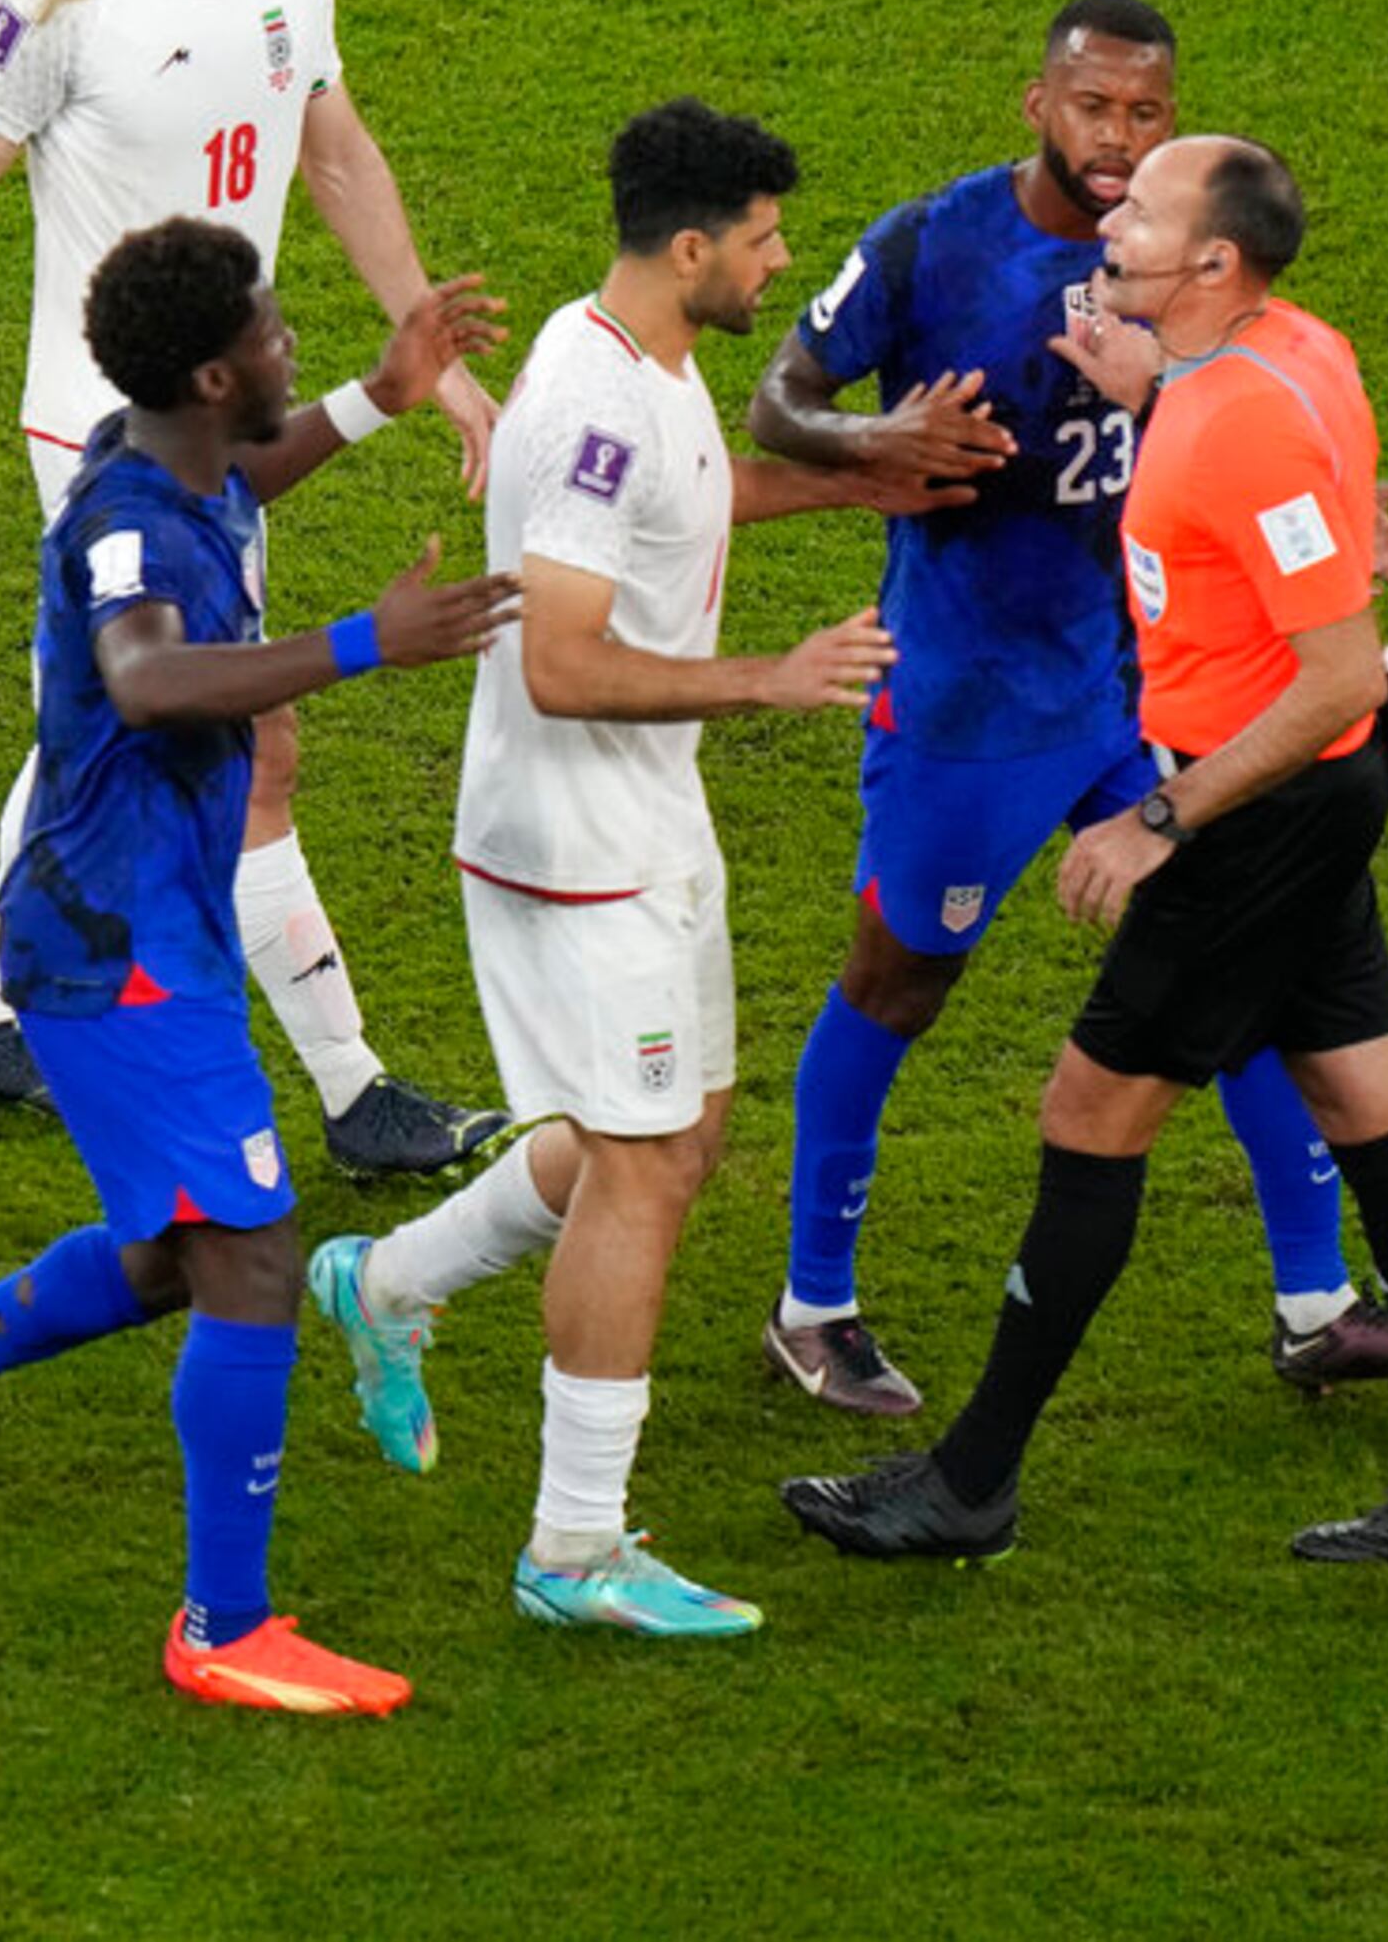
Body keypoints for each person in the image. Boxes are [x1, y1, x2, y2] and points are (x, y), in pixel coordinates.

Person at [782, 137, 1388, 1567]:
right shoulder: (1289, 349)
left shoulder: (1225, 426)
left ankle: (969, 1484)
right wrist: (1174, 401)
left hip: (1256, 810)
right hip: (1318, 792)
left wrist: (1159, 820)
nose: (1111, 217)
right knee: (1375, 1110)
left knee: (1089, 1115)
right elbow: (1291, 502)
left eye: (1143, 211)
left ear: (1211, 261)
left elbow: (1334, 667)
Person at [0, 220, 511, 1714]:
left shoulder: (179, 457)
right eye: (273, 331)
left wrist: (383, 394)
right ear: (212, 374)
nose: (291, 340)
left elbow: (242, 481)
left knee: (177, 1251)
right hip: (110, 947)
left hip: (152, 921)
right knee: (250, 1254)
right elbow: (147, 675)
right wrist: (365, 641)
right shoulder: (130, 515)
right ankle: (222, 1626)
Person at [0, 0, 507, 1180]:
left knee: (89, 717)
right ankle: (353, 1091)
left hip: (225, 409)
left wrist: (432, 358)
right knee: (248, 747)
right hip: (110, 428)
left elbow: (334, 148)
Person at [741, 0, 1388, 1414]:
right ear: (1036, 106)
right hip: (970, 706)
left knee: (1240, 963)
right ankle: (812, 1305)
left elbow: (1240, 412)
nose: (1119, 138)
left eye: (1147, 113)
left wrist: (1338, 518)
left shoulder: (1183, 258)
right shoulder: (934, 244)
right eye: (1095, 107)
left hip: (1142, 690)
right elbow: (778, 398)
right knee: (899, 980)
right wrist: (875, 436)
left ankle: (1316, 1303)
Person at [302, 99, 927, 1637]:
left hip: (648, 821)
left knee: (674, 1138)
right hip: (573, 845)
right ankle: (572, 1547)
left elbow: (692, 494)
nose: (781, 262)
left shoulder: (656, 362)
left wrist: (865, 478)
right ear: (692, 246)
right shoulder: (592, 404)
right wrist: (770, 675)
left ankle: (385, 1282)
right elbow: (562, 663)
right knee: (639, 1167)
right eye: (765, 239)